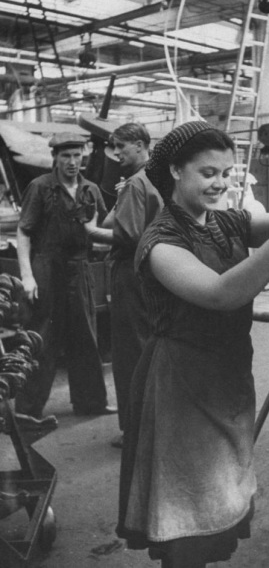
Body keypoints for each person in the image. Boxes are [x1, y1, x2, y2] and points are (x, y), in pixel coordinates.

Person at [116, 120, 269, 568]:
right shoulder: (160, 241)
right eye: (208, 172)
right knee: (185, 509)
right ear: (176, 171)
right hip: (182, 385)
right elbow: (221, 294)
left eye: (226, 173)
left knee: (216, 497)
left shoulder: (224, 221)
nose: (220, 183)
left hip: (227, 374)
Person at [15, 132, 116, 419]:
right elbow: (24, 231)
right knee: (42, 338)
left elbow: (102, 228)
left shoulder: (91, 190)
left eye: (77, 155)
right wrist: (27, 276)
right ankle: (27, 409)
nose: (72, 162)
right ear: (55, 158)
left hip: (80, 267)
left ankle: (90, 403)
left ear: (83, 156)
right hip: (47, 267)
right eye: (66, 156)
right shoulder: (40, 187)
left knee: (86, 336)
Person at [83, 123, 163, 446]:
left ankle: (135, 430)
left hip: (130, 272)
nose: (116, 154)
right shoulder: (158, 177)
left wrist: (91, 231)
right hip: (154, 270)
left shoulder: (135, 183)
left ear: (141, 145)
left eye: (121, 147)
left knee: (130, 353)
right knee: (148, 346)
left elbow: (126, 235)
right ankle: (154, 425)